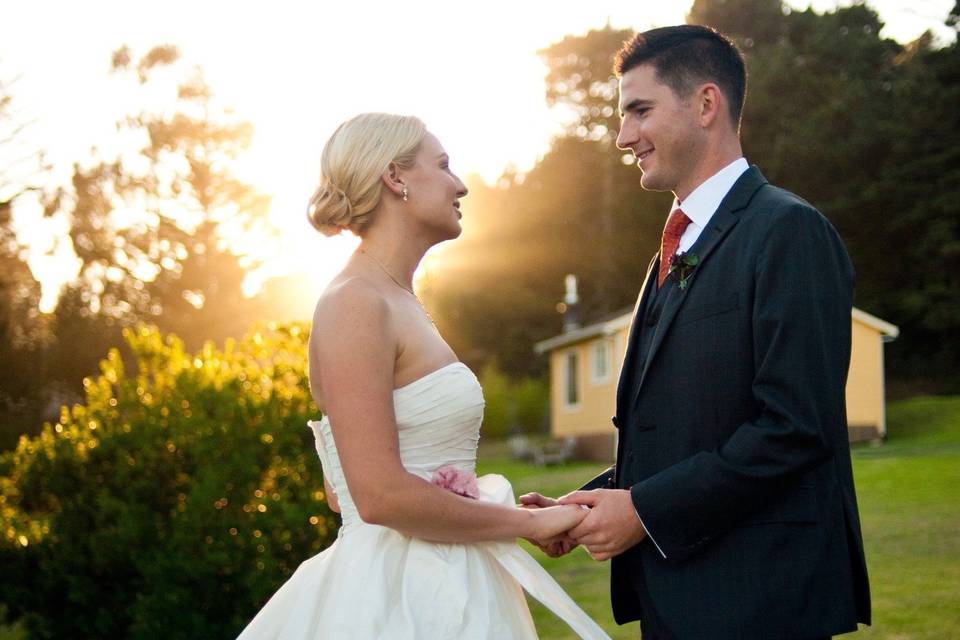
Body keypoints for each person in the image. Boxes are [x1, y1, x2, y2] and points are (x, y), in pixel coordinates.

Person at [521, 25, 871, 639]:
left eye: (640, 111)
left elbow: (794, 427)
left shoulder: (788, 232)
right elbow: (685, 425)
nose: (624, 136)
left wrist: (644, 512)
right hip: (678, 596)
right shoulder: (672, 247)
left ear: (706, 104)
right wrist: (593, 502)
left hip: (760, 601)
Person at [237, 113, 610, 639]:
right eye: (444, 165)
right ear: (395, 177)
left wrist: (487, 511)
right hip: (395, 598)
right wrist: (526, 525)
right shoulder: (354, 303)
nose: (460, 184)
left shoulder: (401, 301)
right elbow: (377, 497)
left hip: (450, 574)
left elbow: (337, 487)